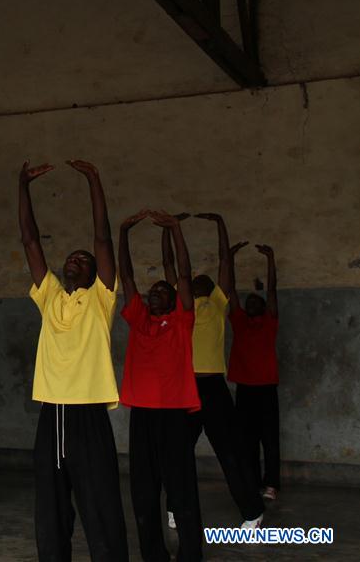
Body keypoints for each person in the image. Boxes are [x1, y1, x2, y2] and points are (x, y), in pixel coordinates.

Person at [18, 159, 128, 561]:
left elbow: (102, 236)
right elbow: (30, 242)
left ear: (97, 273)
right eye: (71, 258)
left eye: (83, 260)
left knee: (100, 508)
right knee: (50, 512)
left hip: (88, 418)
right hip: (52, 416)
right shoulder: (50, 298)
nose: (74, 261)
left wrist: (95, 181)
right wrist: (22, 187)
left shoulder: (101, 300)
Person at [163, 213, 264, 530]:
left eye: (203, 280)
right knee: (177, 451)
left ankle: (252, 511)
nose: (198, 280)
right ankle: (176, 507)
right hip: (186, 389)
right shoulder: (183, 308)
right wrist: (168, 230)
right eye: (192, 281)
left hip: (214, 390)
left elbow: (224, 262)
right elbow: (170, 268)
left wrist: (221, 222)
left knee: (230, 453)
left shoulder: (219, 303)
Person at [120, 210, 203, 561]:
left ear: (173, 300)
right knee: (143, 490)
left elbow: (183, 274)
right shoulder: (139, 320)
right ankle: (153, 552)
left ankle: (190, 553)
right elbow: (125, 276)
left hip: (173, 417)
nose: (153, 294)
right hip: (142, 416)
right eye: (151, 291)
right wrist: (122, 232)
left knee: (180, 488)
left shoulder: (182, 322)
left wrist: (175, 229)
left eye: (161, 291)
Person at [226, 242, 281, 501]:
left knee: (269, 440)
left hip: (267, 390)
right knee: (246, 441)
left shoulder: (269, 323)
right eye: (247, 303)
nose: (248, 305)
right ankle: (252, 481)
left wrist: (270, 259)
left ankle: (271, 484)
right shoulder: (239, 322)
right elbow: (231, 291)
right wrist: (229, 259)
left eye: (253, 302)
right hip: (245, 390)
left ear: (262, 307)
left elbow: (271, 290)